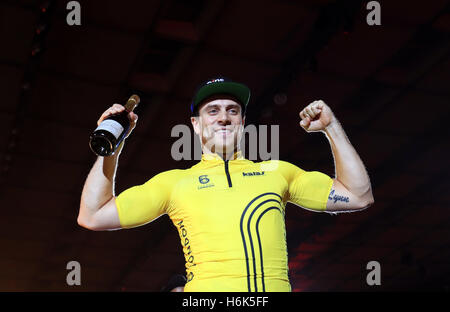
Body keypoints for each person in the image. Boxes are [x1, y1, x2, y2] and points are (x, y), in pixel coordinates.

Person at [78, 77, 374, 292]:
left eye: (233, 111)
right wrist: (113, 148)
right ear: (195, 124)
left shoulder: (278, 172)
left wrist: (331, 128)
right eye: (213, 110)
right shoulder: (175, 183)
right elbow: (93, 215)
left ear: (243, 122)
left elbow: (358, 196)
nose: (224, 118)